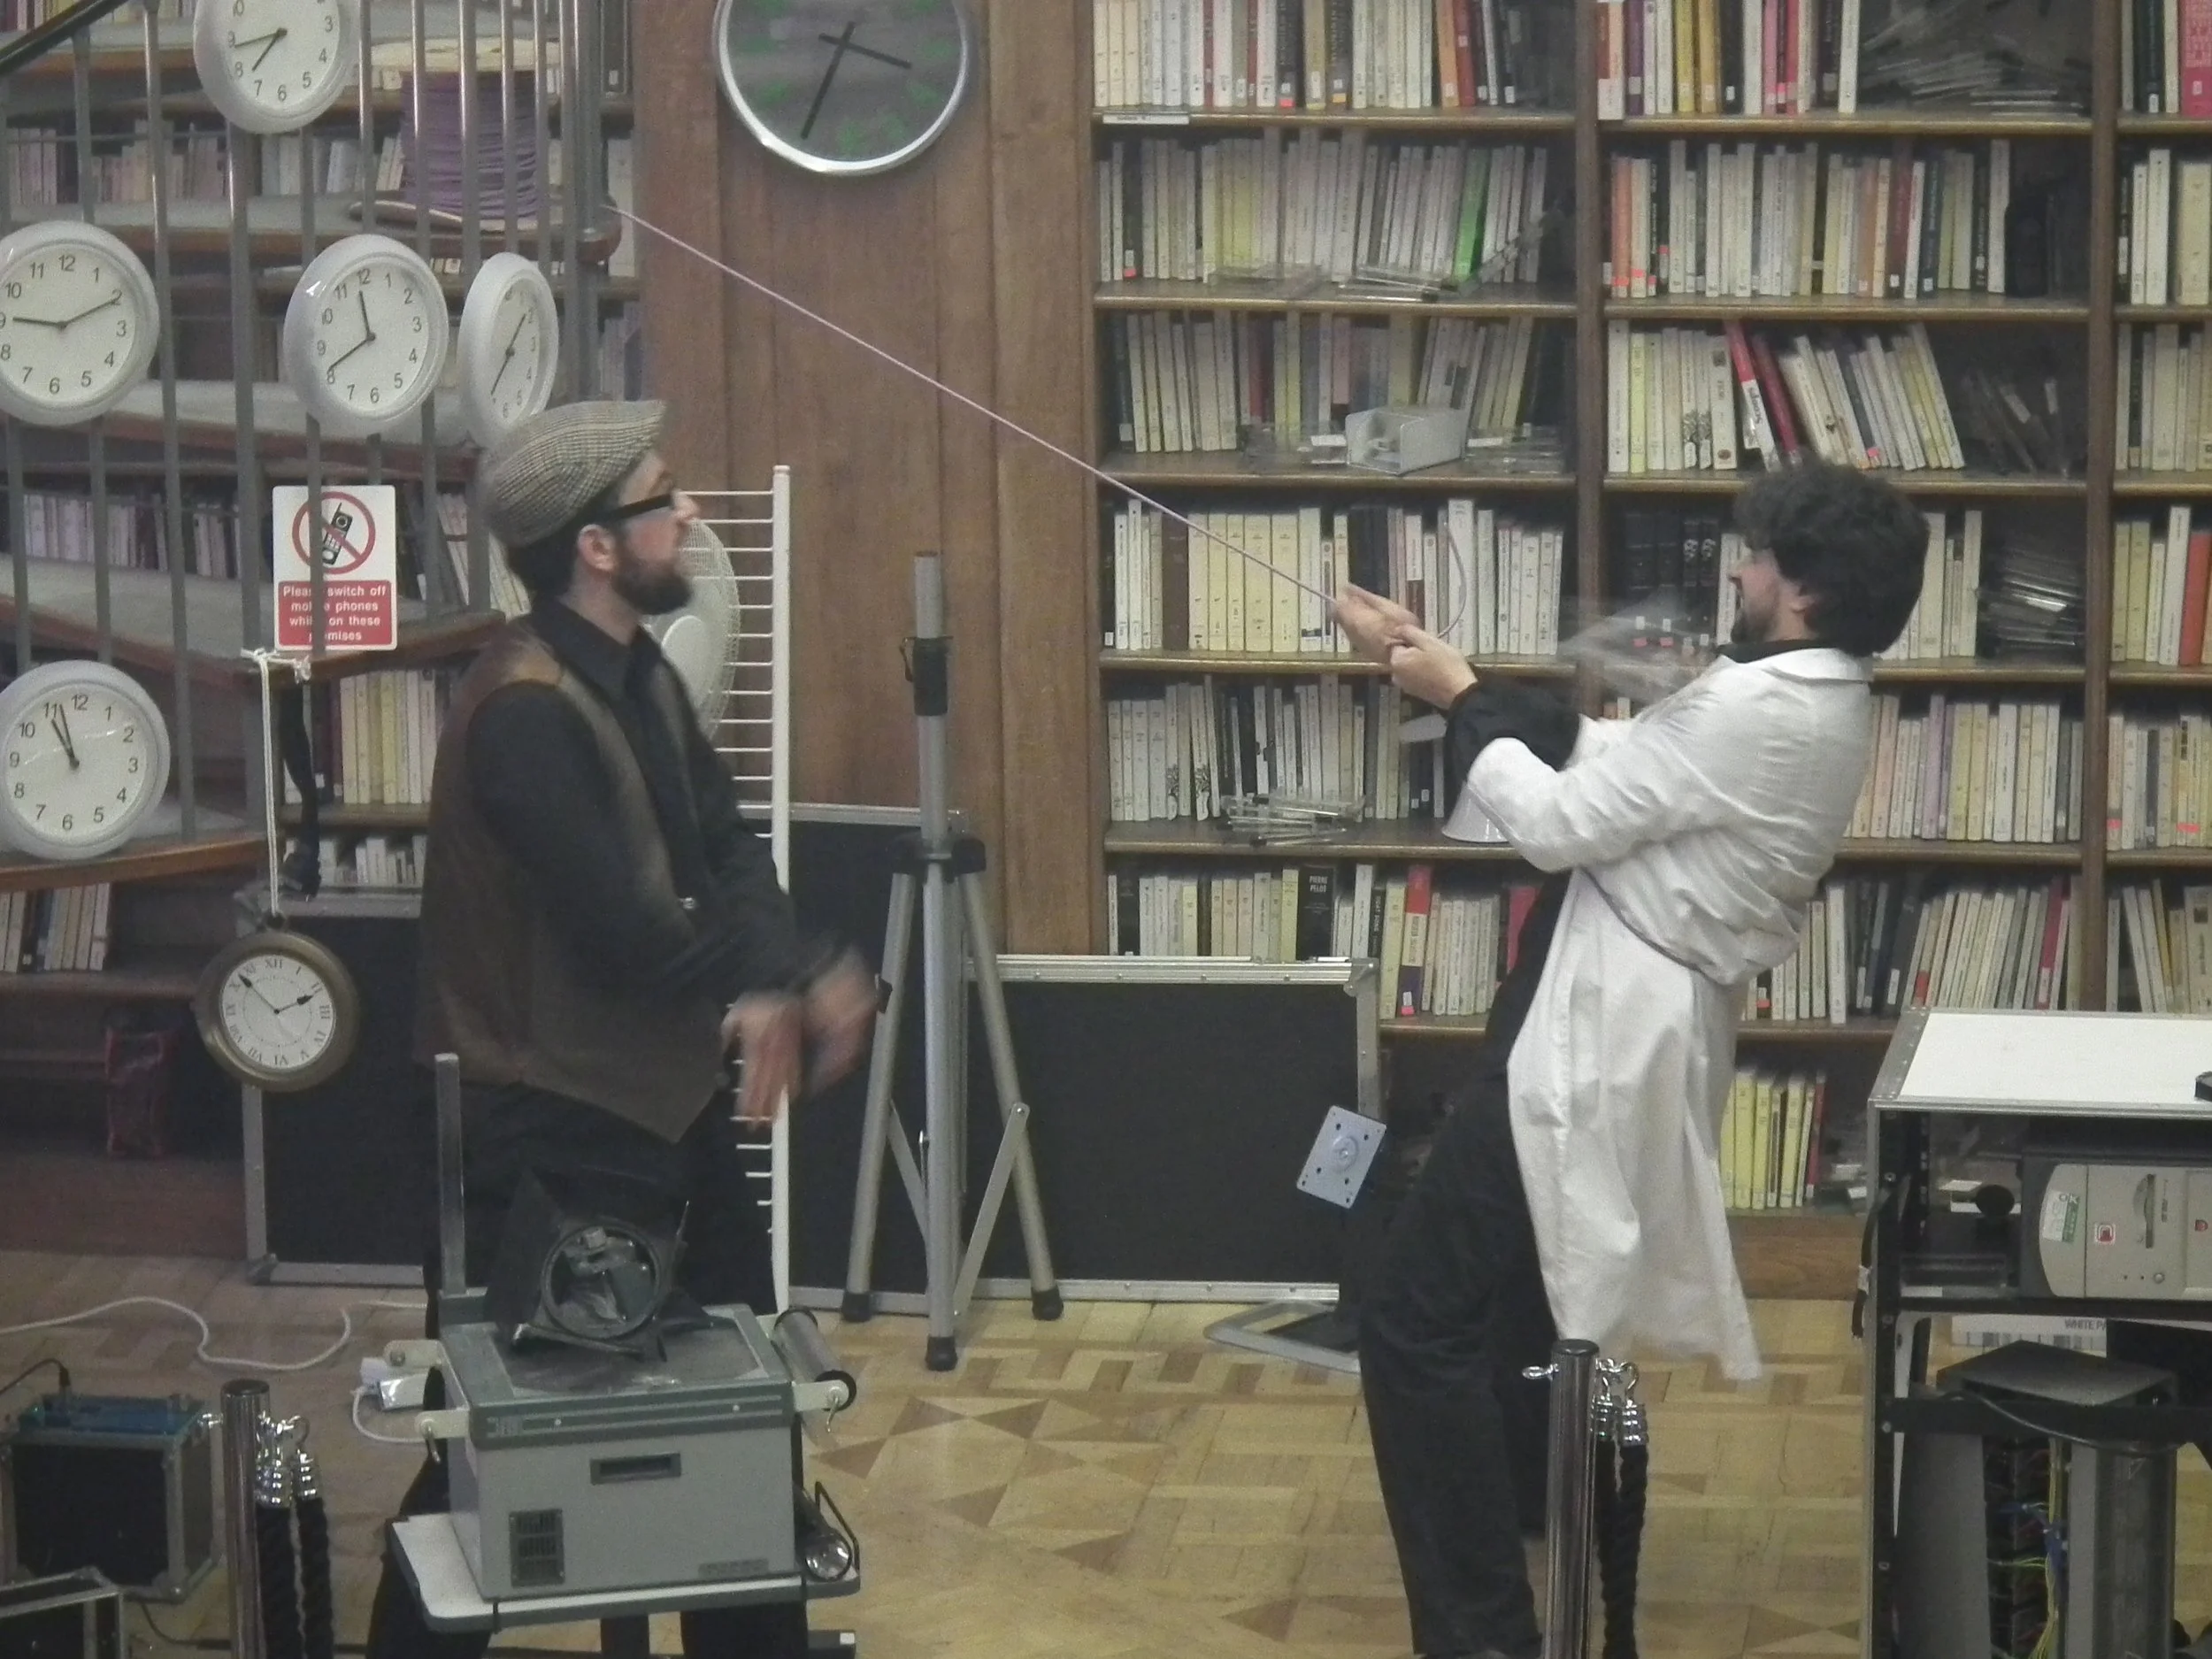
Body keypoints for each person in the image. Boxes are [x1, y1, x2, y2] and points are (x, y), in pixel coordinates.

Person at [1332, 460, 1927, 1659]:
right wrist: (1466, 682)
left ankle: (1483, 1634)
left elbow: (1553, 826)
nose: (1740, 574)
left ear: (1800, 585)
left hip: (1599, 1032)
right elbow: (1620, 761)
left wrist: (1464, 701)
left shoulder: (1761, 703)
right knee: (1500, 1299)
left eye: (1756, 557)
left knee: (1410, 1319)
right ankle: (1512, 1532)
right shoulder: (1807, 691)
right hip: (1607, 1005)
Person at [364, 400, 876, 1659]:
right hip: (541, 1132)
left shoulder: (638, 669)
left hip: (656, 1111)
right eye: (663, 497)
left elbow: (723, 843)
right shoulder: (526, 710)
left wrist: (791, 964)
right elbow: (622, 932)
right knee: (492, 1459)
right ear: (597, 545)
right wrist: (780, 984)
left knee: (751, 1428)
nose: (689, 510)